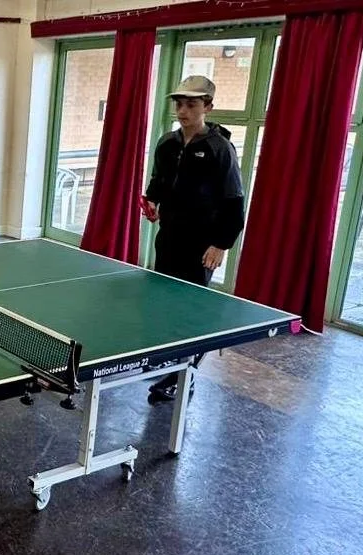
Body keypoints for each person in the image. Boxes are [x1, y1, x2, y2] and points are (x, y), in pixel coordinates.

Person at [143, 75, 245, 402]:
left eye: (191, 104)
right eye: (179, 104)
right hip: (170, 235)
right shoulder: (167, 143)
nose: (183, 110)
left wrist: (221, 244)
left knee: (193, 311)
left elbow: (234, 201)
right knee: (166, 305)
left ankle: (182, 377)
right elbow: (159, 180)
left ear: (208, 107)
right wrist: (151, 201)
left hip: (203, 244)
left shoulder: (220, 148)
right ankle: (171, 362)